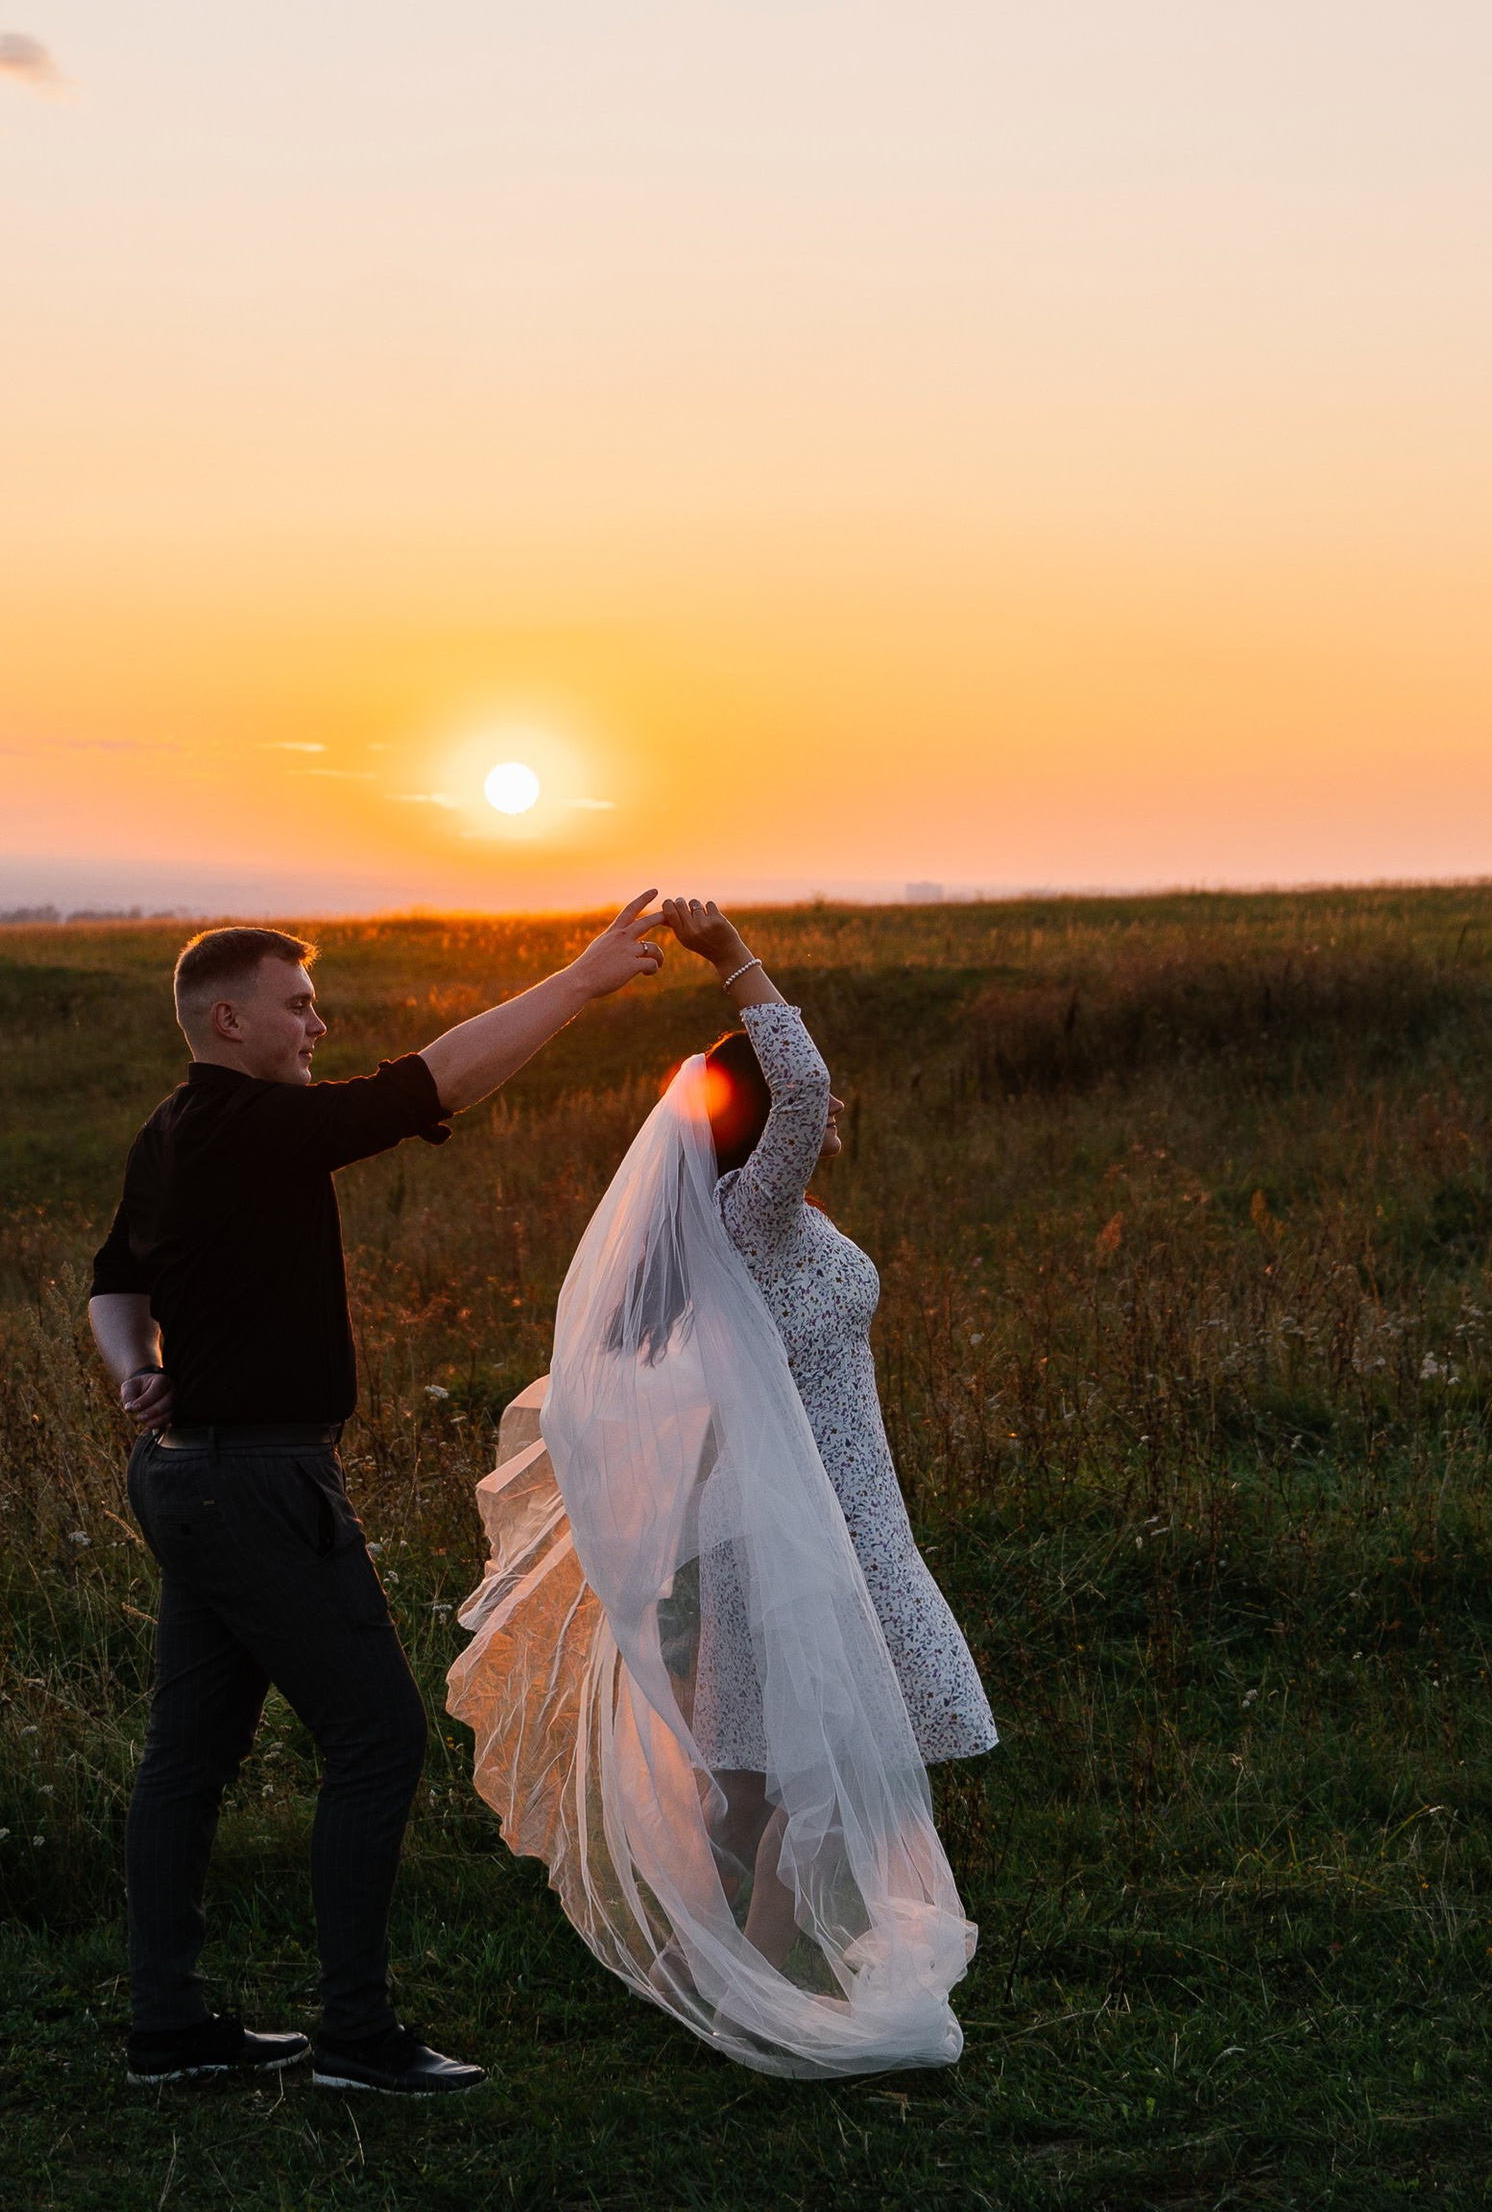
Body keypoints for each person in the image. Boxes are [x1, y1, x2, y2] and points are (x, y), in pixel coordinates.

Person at [89, 897, 664, 2097]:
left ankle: (167, 2028)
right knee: (376, 1735)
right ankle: (355, 2035)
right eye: (297, 1007)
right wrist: (580, 981)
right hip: (253, 1480)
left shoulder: (176, 1127)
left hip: (190, 1473)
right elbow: (432, 1084)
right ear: (229, 1018)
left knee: (187, 1755)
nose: (317, 1026)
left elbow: (112, 1282)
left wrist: (137, 1369)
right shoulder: (249, 1124)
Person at [446, 896, 991, 2077]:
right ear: (762, 1124)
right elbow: (802, 1084)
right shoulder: (757, 1216)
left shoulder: (751, 1226)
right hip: (816, 1521)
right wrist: (731, 957)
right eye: (807, 1106)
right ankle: (760, 1992)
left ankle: (727, 1966)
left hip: (795, 1516)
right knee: (835, 1740)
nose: (832, 1110)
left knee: (755, 1766)